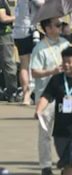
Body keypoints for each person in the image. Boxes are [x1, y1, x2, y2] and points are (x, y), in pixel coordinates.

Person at [32, 18, 70, 174]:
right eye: (57, 25)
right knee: (45, 134)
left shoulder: (65, 43)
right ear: (47, 28)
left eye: (61, 24)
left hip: (65, 95)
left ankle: (67, 161)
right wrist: (51, 71)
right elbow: (34, 71)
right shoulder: (40, 48)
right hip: (46, 96)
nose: (60, 27)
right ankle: (45, 166)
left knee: (67, 131)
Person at [16, 0, 48, 105]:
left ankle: (26, 96)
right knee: (40, 61)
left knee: (24, 64)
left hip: (18, 32)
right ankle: (38, 93)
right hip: (31, 31)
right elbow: (43, 8)